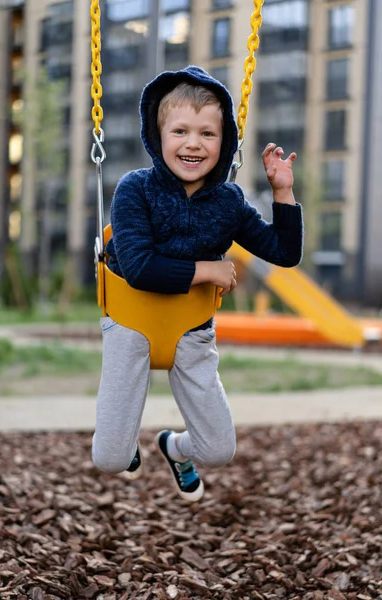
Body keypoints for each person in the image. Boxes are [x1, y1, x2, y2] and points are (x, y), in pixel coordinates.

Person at [92, 66, 303, 502]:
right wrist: (208, 270)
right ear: (158, 135)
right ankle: (125, 444)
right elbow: (139, 267)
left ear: (223, 143)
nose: (193, 143)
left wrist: (282, 193)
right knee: (109, 459)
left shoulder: (228, 201)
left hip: (193, 330)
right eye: (181, 131)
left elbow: (285, 253)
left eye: (208, 134)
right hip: (131, 325)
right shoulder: (135, 189)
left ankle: (174, 447)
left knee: (218, 450)